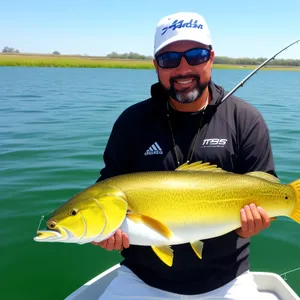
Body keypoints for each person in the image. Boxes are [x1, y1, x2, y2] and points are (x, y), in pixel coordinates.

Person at [93, 11, 276, 300]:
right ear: (156, 65)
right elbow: (106, 191)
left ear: (211, 57)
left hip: (228, 278)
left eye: (195, 55)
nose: (183, 69)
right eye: (169, 59)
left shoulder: (245, 119)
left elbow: (266, 186)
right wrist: (104, 231)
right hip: (141, 278)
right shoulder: (131, 122)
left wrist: (250, 227)